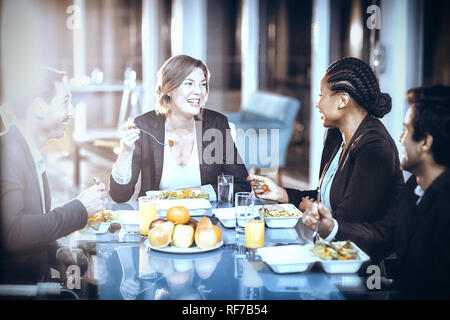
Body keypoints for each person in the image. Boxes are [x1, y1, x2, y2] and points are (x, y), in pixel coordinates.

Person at [303, 85, 450, 299]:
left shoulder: (445, 207)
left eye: (406, 130)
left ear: (425, 142)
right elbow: (383, 236)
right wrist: (332, 228)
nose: (400, 139)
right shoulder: (414, 189)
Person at [248, 57, 404, 253]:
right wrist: (282, 193)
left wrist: (307, 206)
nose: (317, 103)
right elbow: (327, 200)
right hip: (330, 247)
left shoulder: (374, 146)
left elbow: (343, 220)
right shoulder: (336, 136)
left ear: (343, 100)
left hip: (359, 260)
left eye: (321, 95)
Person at [0, 67, 107, 285]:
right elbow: (14, 232)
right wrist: (80, 208)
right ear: (39, 107)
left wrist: (56, 253)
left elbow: (32, 224)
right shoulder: (8, 153)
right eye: (65, 102)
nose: (72, 111)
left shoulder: (28, 152)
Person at [109, 55, 251, 203]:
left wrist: (188, 193)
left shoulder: (215, 123)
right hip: (157, 221)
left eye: (203, 84)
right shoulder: (145, 126)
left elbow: (241, 186)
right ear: (168, 89)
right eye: (189, 83)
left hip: (206, 220)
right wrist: (125, 152)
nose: (199, 92)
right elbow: (119, 196)